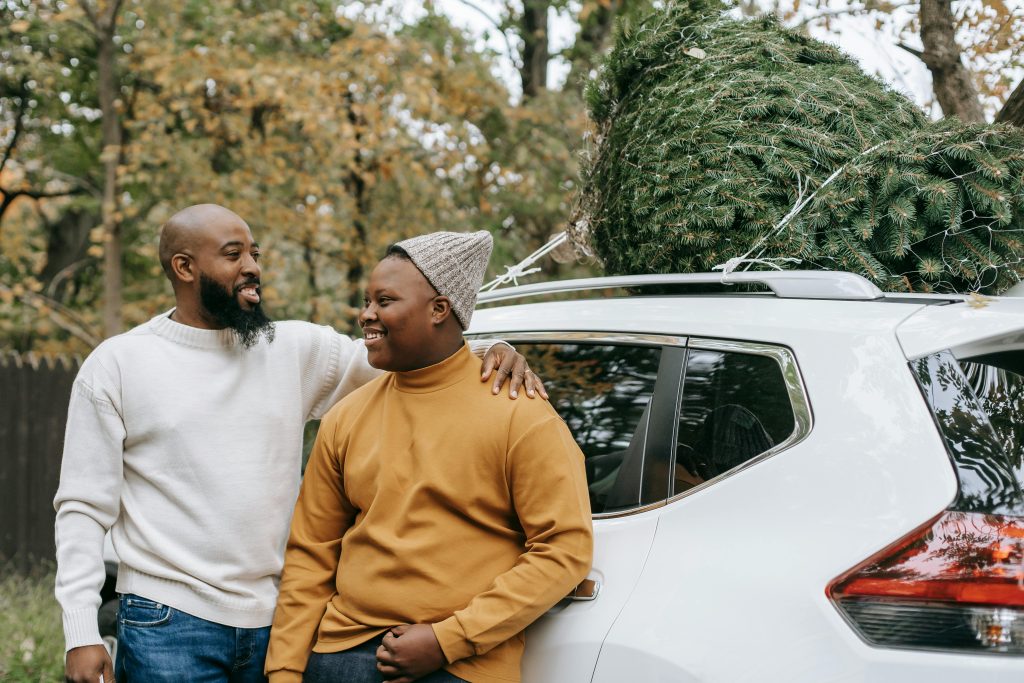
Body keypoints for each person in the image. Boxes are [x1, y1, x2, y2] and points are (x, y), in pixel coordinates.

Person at [55, 204, 546, 683]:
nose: (252, 268)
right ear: (184, 267)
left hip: (278, 621)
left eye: (255, 254)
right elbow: (82, 506)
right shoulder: (119, 364)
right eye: (233, 255)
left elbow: (409, 357)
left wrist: (490, 351)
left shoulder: (291, 348)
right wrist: (81, 630)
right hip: (168, 621)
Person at [265, 231, 593, 683]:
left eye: (384, 301)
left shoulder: (520, 413)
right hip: (337, 656)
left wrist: (447, 640)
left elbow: (565, 550)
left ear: (439, 309)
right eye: (367, 301)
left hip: (458, 665)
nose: (366, 315)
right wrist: (284, 670)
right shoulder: (346, 417)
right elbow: (311, 553)